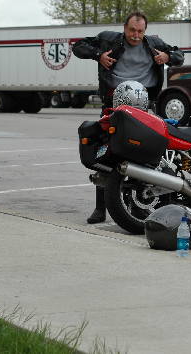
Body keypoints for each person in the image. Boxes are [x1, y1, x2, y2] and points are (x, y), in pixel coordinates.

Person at [72, 11, 184, 224]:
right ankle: (100, 208)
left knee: (144, 154)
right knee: (106, 154)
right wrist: (98, 55)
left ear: (145, 31)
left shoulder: (154, 44)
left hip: (144, 106)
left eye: (140, 31)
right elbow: (78, 47)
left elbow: (179, 55)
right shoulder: (108, 39)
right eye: (132, 30)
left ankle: (136, 205)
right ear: (124, 28)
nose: (136, 35)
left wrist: (168, 57)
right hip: (113, 105)